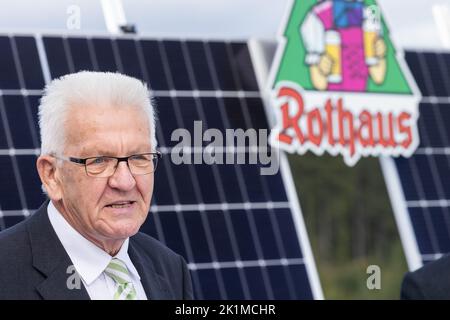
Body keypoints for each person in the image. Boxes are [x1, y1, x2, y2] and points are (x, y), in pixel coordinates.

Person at [0, 71, 193, 300]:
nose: (125, 181)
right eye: (99, 161)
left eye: (139, 157)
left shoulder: (170, 269)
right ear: (51, 175)